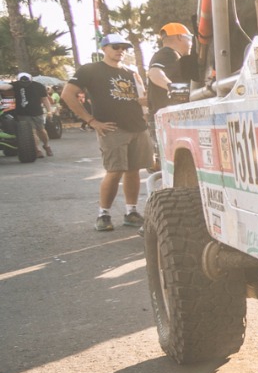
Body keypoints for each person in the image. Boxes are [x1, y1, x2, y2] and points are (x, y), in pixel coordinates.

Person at [61, 34, 152, 232]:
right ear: (104, 48)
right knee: (114, 171)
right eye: (115, 47)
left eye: (124, 47)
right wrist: (91, 121)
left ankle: (131, 212)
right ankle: (103, 214)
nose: (121, 51)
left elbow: (140, 99)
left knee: (134, 170)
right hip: (112, 128)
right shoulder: (90, 69)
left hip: (137, 127)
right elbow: (67, 94)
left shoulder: (131, 72)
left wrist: (146, 108)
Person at [147, 21, 198, 131]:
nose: (191, 43)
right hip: (167, 122)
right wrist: (174, 88)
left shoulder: (172, 56)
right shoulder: (168, 53)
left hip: (167, 120)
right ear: (180, 37)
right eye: (189, 38)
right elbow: (154, 72)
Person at [12, 72, 52, 157]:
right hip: (23, 113)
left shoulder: (39, 86)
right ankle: (37, 150)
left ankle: (46, 145)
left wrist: (49, 111)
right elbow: (4, 86)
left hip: (37, 112)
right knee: (31, 132)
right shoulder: (15, 85)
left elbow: (45, 99)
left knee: (41, 131)